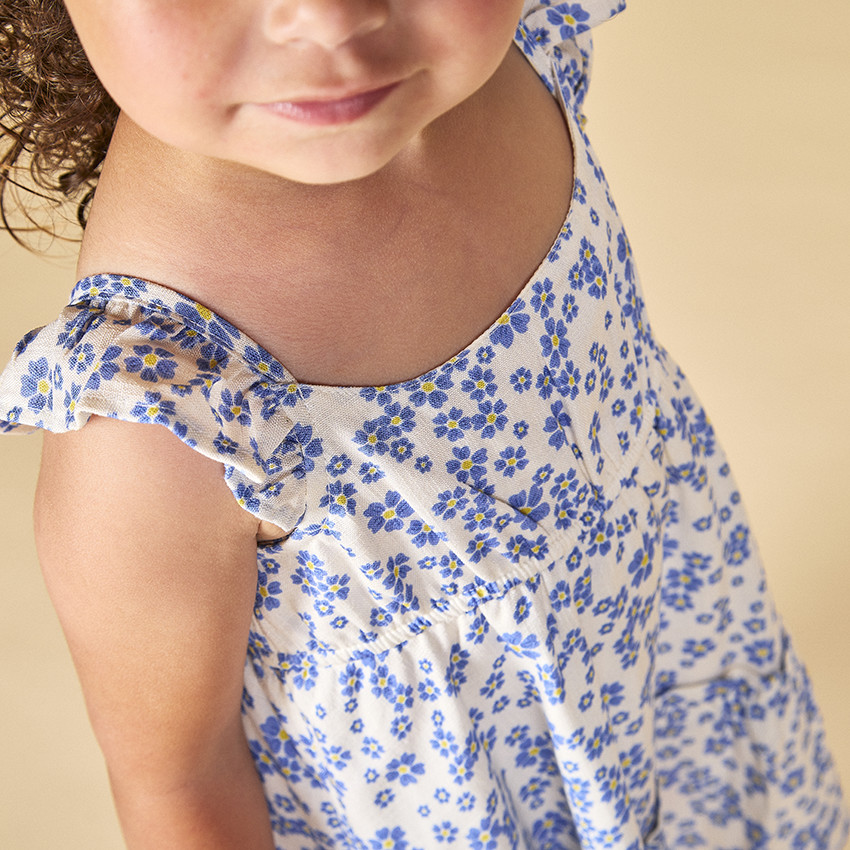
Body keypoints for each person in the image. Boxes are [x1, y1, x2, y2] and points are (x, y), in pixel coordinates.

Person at [0, 1, 847, 848]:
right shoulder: (163, 413)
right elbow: (180, 784)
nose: (331, 19)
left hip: (668, 676)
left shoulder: (517, 47)